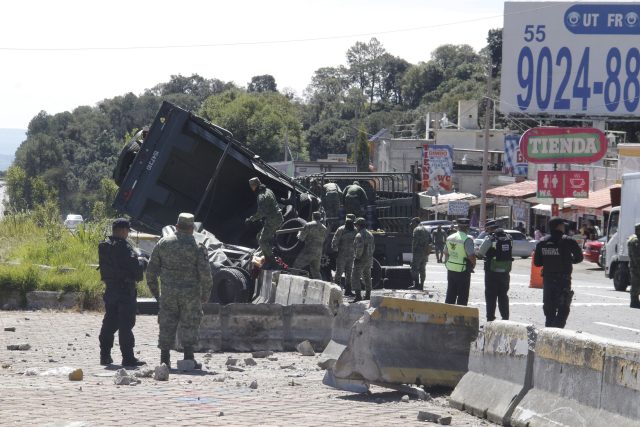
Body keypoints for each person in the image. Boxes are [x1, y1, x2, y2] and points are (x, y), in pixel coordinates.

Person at [146, 213, 213, 368]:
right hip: (190, 296)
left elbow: (150, 272)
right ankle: (188, 359)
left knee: (167, 324)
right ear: (192, 229)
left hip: (168, 294)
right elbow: (206, 275)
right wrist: (205, 294)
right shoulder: (197, 247)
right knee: (190, 323)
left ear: (176, 227)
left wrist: (157, 294)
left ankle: (164, 360)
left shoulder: (163, 243)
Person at [98, 218, 147, 367]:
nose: (127, 234)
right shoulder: (124, 247)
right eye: (127, 231)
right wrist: (142, 260)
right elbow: (137, 270)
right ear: (123, 230)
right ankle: (128, 357)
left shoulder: (104, 246)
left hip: (111, 289)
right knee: (126, 325)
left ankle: (104, 355)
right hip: (125, 291)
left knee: (109, 323)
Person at [533, 217, 583, 328]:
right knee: (563, 310)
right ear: (559, 226)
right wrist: (569, 259)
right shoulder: (568, 241)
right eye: (563, 225)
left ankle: (548, 335)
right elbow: (579, 258)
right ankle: (555, 335)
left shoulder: (542, 242)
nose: (564, 227)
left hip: (548, 280)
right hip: (563, 281)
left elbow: (537, 263)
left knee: (549, 311)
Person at [246, 177, 284, 269]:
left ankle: (272, 262)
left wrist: (251, 219)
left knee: (262, 240)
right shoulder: (268, 190)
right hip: (277, 218)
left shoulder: (261, 196)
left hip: (273, 220)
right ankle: (266, 256)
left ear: (253, 186)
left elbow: (261, 212)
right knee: (259, 236)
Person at [478, 221, 513, 321]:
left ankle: (490, 319)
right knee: (503, 295)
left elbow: (480, 253)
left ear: (489, 229)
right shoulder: (509, 238)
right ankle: (505, 318)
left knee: (491, 295)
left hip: (491, 271)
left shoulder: (490, 238)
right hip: (505, 271)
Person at [444, 218, 476, 306]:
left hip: (450, 269)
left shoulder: (449, 237)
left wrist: (447, 263)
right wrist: (473, 265)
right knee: (462, 296)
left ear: (458, 227)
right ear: (467, 227)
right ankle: (460, 317)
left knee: (450, 293)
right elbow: (471, 256)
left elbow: (445, 253)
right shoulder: (467, 239)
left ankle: (448, 314)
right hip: (463, 270)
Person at [292, 211, 328, 279]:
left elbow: (301, 238)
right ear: (320, 218)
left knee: (296, 267)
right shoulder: (324, 228)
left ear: (313, 217)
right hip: (319, 252)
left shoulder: (309, 225)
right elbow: (324, 240)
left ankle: (292, 283)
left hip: (309, 250)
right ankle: (320, 286)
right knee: (316, 271)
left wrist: (299, 233)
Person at [331, 214, 357, 296]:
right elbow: (334, 241)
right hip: (341, 255)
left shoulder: (355, 230)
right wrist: (335, 251)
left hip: (351, 255)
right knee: (339, 273)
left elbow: (357, 242)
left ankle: (348, 291)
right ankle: (336, 291)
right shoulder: (341, 229)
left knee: (349, 274)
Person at [351, 217, 374, 302]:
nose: (355, 226)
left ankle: (358, 296)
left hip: (361, 259)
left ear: (358, 225)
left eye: (356, 225)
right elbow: (373, 247)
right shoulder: (370, 234)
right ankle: (368, 295)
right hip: (369, 258)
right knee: (367, 276)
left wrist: (357, 257)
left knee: (355, 276)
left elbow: (359, 248)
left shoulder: (359, 235)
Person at [409, 217, 431, 290]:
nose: (411, 224)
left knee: (414, 268)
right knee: (422, 269)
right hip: (425, 252)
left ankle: (416, 284)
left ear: (416, 222)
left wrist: (413, 251)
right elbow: (430, 241)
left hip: (418, 252)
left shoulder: (416, 230)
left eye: (412, 223)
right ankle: (421, 285)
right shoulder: (426, 230)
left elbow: (415, 242)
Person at [627, 223, 640, 309]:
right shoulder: (635, 241)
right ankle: (634, 301)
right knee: (636, 284)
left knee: (636, 283)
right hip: (636, 266)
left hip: (634, 265)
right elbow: (636, 256)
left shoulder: (633, 238)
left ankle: (635, 301)